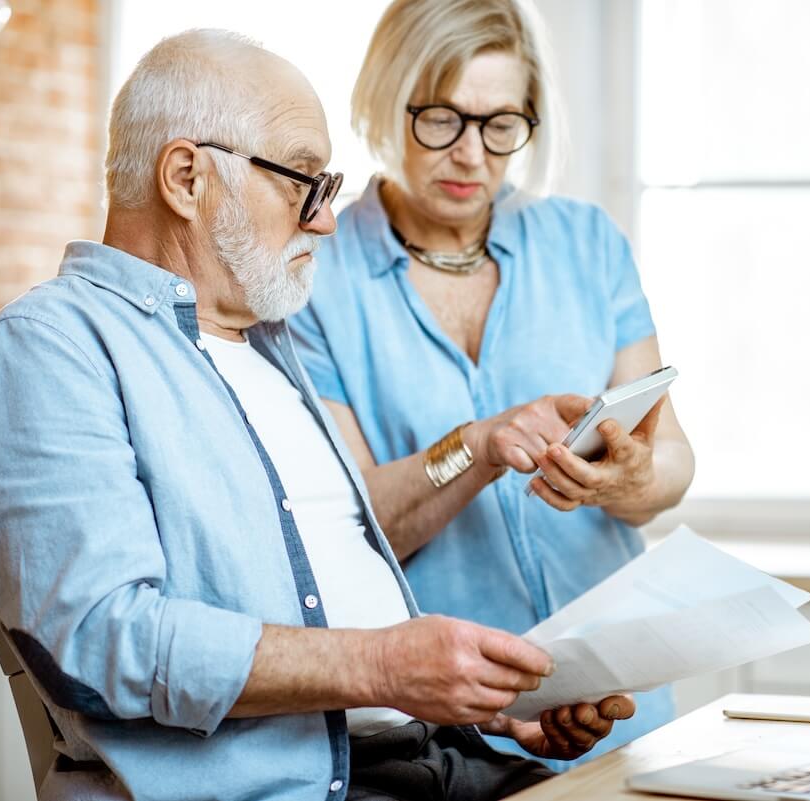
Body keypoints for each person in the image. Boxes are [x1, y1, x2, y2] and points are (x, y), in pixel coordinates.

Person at [0, 29, 633, 801]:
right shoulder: (47, 350)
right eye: (303, 183)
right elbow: (100, 639)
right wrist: (384, 666)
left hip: (442, 758)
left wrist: (493, 703)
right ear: (186, 178)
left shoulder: (274, 350)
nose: (327, 221)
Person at [289, 0, 695, 766]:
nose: (472, 155)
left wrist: (629, 477)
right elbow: (353, 524)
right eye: (441, 118)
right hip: (457, 736)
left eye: (501, 125)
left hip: (624, 708)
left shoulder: (587, 245)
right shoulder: (319, 276)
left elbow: (672, 463)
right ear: (385, 99)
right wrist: (475, 449)